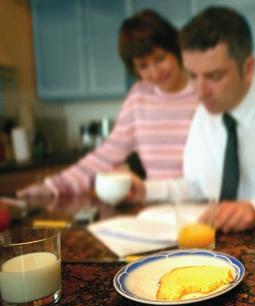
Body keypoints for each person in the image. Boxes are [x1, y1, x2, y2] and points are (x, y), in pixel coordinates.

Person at [138, 6, 255, 233]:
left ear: (248, 69)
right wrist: (146, 191)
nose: (200, 91)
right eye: (192, 76)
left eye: (214, 76)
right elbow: (199, 187)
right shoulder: (205, 113)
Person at [17, 9, 199, 198]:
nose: (155, 72)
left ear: (175, 49)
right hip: (154, 208)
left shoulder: (203, 93)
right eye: (143, 66)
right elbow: (105, 156)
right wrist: (51, 187)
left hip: (199, 207)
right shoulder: (139, 97)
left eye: (160, 58)